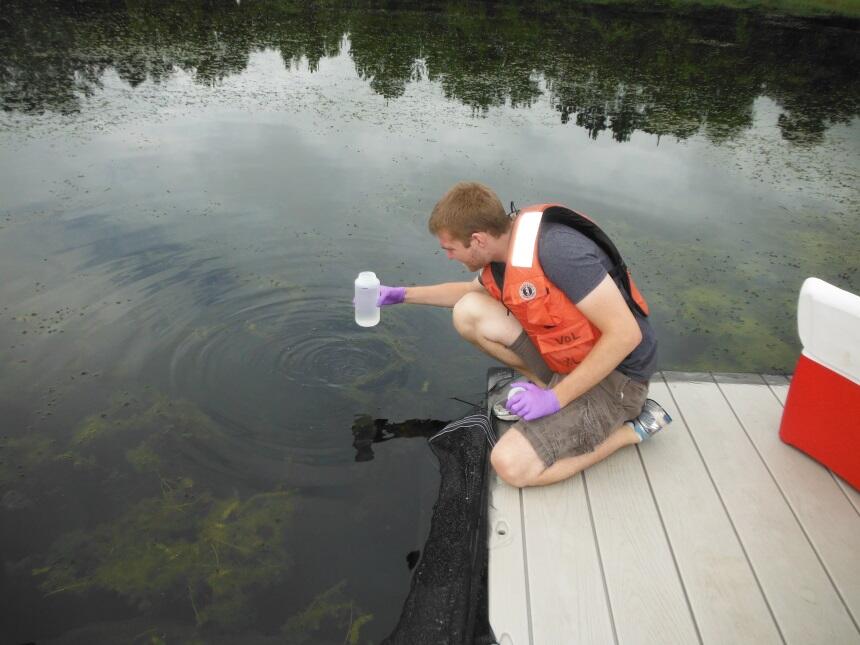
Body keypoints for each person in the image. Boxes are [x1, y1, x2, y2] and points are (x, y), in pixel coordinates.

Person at [371, 181, 670, 488]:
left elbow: (625, 335)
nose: (448, 257)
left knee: (510, 466)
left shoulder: (559, 252)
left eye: (450, 248)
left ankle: (632, 430)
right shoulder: (503, 254)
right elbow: (466, 292)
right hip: (571, 361)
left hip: (619, 382)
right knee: (469, 312)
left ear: (477, 240)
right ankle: (548, 387)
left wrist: (554, 400)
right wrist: (401, 295)